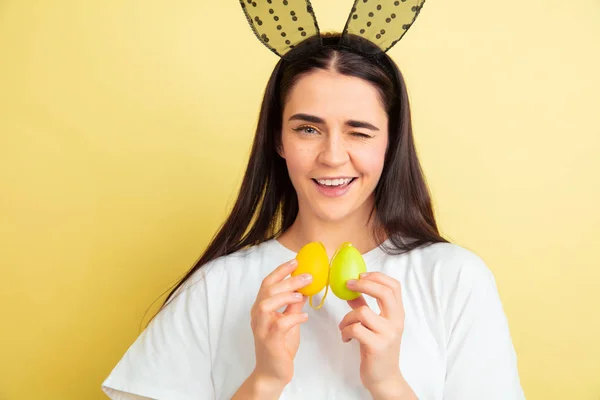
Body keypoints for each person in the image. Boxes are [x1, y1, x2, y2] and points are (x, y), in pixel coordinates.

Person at [101, 1, 525, 399]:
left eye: (359, 131)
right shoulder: (217, 286)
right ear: (278, 138)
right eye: (308, 129)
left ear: (391, 143)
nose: (333, 156)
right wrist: (265, 380)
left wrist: (389, 382)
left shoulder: (454, 279)